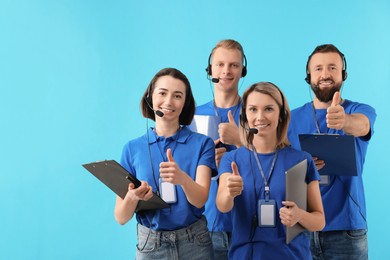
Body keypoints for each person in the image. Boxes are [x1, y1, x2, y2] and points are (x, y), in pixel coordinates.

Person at [114, 68, 217, 259]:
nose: (168, 102)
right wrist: (132, 197)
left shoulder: (203, 144)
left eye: (177, 96)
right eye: (162, 93)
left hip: (195, 242)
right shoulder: (132, 149)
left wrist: (183, 179)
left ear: (185, 103)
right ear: (150, 97)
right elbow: (121, 217)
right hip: (151, 246)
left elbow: (201, 199)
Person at [216, 82, 325, 259]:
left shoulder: (301, 160)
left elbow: (319, 221)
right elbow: (222, 205)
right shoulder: (232, 159)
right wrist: (229, 192)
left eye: (268, 109)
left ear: (281, 115)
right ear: (244, 115)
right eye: (252, 109)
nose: (260, 117)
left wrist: (299, 215)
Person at [288, 44, 377, 259]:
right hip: (301, 228)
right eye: (318, 68)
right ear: (308, 76)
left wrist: (344, 120)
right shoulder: (290, 118)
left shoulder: (359, 110)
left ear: (343, 74)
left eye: (332, 68)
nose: (325, 74)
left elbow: (363, 126)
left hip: (346, 230)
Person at [195, 39, 247, 259]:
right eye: (220, 65)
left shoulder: (257, 112)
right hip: (205, 228)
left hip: (248, 225)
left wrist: (239, 142)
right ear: (210, 69)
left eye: (234, 65)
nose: (226, 71)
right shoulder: (192, 116)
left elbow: (275, 160)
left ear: (243, 70)